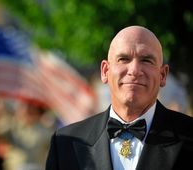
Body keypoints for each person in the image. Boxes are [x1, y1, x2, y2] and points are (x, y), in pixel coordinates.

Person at [45, 25, 193, 170]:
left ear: (163, 75)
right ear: (105, 71)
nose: (134, 70)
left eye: (146, 60)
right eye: (123, 59)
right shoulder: (65, 144)